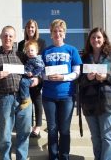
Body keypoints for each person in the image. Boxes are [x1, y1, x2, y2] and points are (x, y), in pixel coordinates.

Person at [0, 25, 39, 160]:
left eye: (11, 36)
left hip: (23, 98)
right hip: (5, 99)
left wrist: (37, 78)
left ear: (14, 39)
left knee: (24, 133)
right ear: (1, 37)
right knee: (5, 135)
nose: (8, 38)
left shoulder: (22, 55)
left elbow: (36, 67)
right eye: (5, 35)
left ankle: (22, 158)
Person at [78, 27, 111, 160]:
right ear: (89, 40)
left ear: (104, 39)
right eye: (93, 37)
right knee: (95, 137)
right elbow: (78, 80)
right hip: (89, 103)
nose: (96, 40)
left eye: (99, 37)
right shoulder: (83, 57)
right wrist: (87, 78)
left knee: (107, 136)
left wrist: (107, 77)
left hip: (108, 102)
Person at [41, 19, 82, 160]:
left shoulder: (72, 50)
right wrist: (48, 76)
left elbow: (77, 72)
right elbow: (40, 72)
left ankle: (64, 156)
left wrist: (62, 78)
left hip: (67, 95)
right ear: (50, 34)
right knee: (52, 129)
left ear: (64, 33)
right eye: (54, 31)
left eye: (60, 31)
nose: (57, 33)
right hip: (48, 96)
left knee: (64, 130)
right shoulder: (45, 51)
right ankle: (53, 156)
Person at [18, 19, 46, 138]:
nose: (30, 29)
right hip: (25, 76)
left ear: (36, 29)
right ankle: (28, 125)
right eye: (28, 27)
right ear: (26, 29)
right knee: (26, 101)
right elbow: (19, 60)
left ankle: (38, 127)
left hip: (37, 76)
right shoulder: (21, 43)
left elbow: (42, 62)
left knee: (37, 101)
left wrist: (38, 78)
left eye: (33, 27)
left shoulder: (41, 42)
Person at [19, 40, 44, 111]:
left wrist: (33, 73)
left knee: (23, 82)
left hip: (33, 78)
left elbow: (40, 68)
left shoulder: (37, 59)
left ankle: (25, 99)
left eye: (32, 50)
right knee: (22, 82)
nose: (30, 52)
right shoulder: (29, 59)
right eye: (28, 51)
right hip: (28, 76)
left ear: (37, 51)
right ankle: (26, 98)